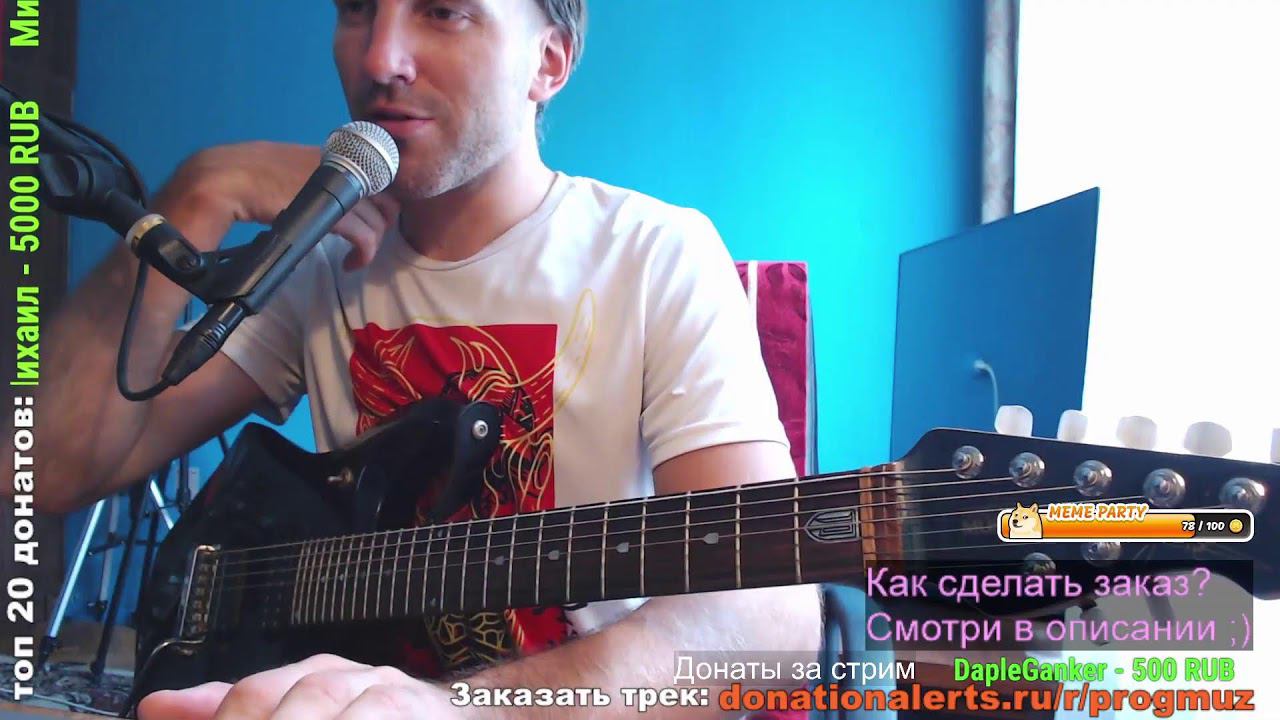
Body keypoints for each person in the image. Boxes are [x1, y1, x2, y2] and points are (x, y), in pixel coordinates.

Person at [4, 0, 822, 717]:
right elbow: (41, 471)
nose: (378, 58)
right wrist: (192, 196)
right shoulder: (317, 265)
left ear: (548, 62)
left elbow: (770, 624)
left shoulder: (653, 254)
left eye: (443, 10)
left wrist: (460, 710)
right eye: (357, 8)